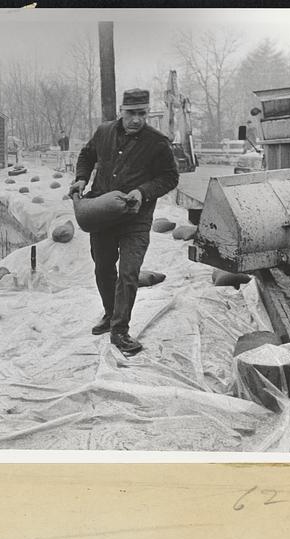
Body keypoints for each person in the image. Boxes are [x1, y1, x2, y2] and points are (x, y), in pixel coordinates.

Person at [69, 89, 179, 355]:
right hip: (103, 212)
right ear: (121, 110)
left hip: (136, 218)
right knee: (103, 267)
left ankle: (120, 330)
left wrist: (143, 192)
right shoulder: (104, 132)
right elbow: (87, 156)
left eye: (142, 114)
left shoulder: (157, 142)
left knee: (128, 272)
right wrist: (82, 178)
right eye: (131, 113)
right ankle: (110, 314)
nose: (137, 120)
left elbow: (170, 178)